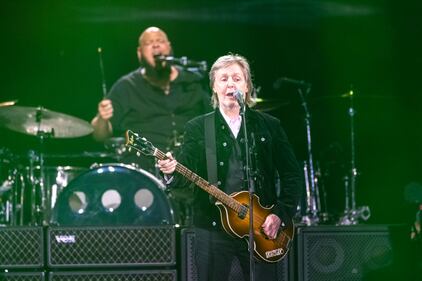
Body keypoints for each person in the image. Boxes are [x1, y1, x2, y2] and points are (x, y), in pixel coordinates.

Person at [158, 54, 303, 281]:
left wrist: (280, 215)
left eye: (237, 78)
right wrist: (170, 171)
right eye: (223, 78)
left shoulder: (269, 126)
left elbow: (292, 174)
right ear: (214, 87)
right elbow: (185, 172)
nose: (230, 84)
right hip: (212, 228)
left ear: (247, 87)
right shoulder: (198, 127)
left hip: (261, 229)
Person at [91, 26, 211, 173]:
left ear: (169, 47)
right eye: (149, 43)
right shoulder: (127, 86)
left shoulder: (193, 80)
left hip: (193, 169)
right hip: (145, 171)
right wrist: (102, 118)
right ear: (139, 53)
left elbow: (215, 120)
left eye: (160, 41)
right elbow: (99, 135)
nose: (156, 45)